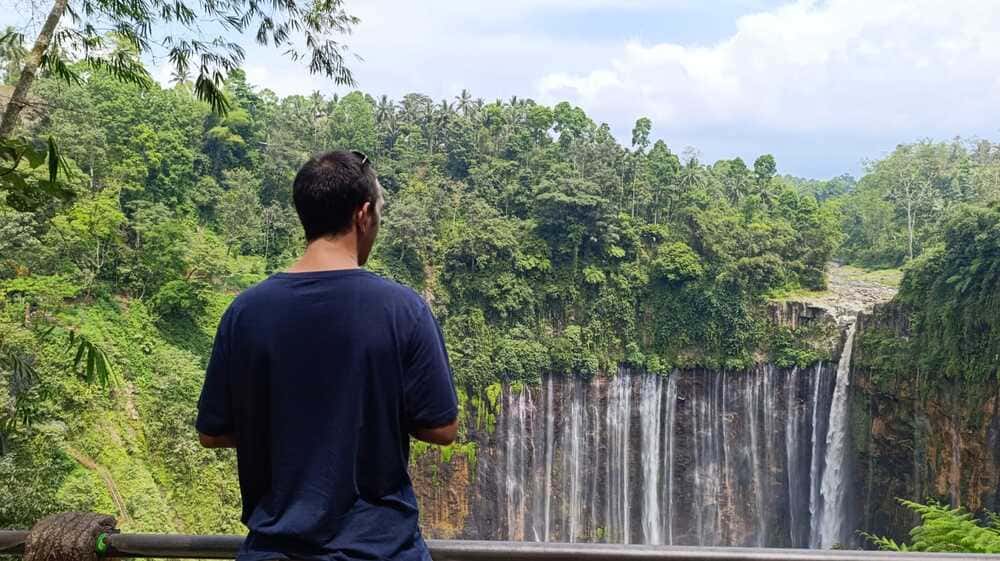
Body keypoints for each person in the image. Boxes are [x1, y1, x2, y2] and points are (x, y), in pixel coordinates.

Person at [195, 150, 459, 561]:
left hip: (275, 550)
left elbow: (213, 433)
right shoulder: (403, 310)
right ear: (364, 214)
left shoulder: (245, 313)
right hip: (382, 551)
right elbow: (441, 428)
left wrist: (286, 430)